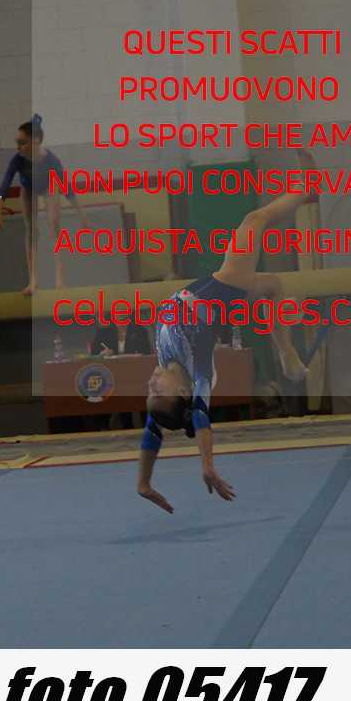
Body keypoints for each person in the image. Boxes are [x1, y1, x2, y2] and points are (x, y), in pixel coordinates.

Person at [137, 151, 316, 513]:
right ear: (183, 391)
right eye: (158, 390)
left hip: (220, 292)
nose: (150, 384)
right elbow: (201, 419)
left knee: (273, 286)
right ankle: (307, 190)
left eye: (149, 391)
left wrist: (144, 483)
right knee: (254, 219)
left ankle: (287, 355)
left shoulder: (167, 363)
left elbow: (152, 430)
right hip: (226, 285)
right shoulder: (198, 371)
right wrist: (207, 465)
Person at [0, 114, 87, 295]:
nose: (17, 147)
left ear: (35, 142)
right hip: (29, 190)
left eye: (22, 143)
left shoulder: (51, 160)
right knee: (31, 231)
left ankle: (60, 277)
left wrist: (81, 215)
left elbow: (67, 189)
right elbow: (3, 188)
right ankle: (33, 281)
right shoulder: (17, 159)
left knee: (54, 223)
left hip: (49, 187)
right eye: (16, 142)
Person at [91, 317, 152, 430]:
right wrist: (102, 354)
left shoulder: (140, 331)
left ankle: (146, 427)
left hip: (137, 374)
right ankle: (124, 426)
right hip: (112, 375)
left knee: (140, 394)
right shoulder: (103, 332)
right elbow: (94, 354)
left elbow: (147, 353)